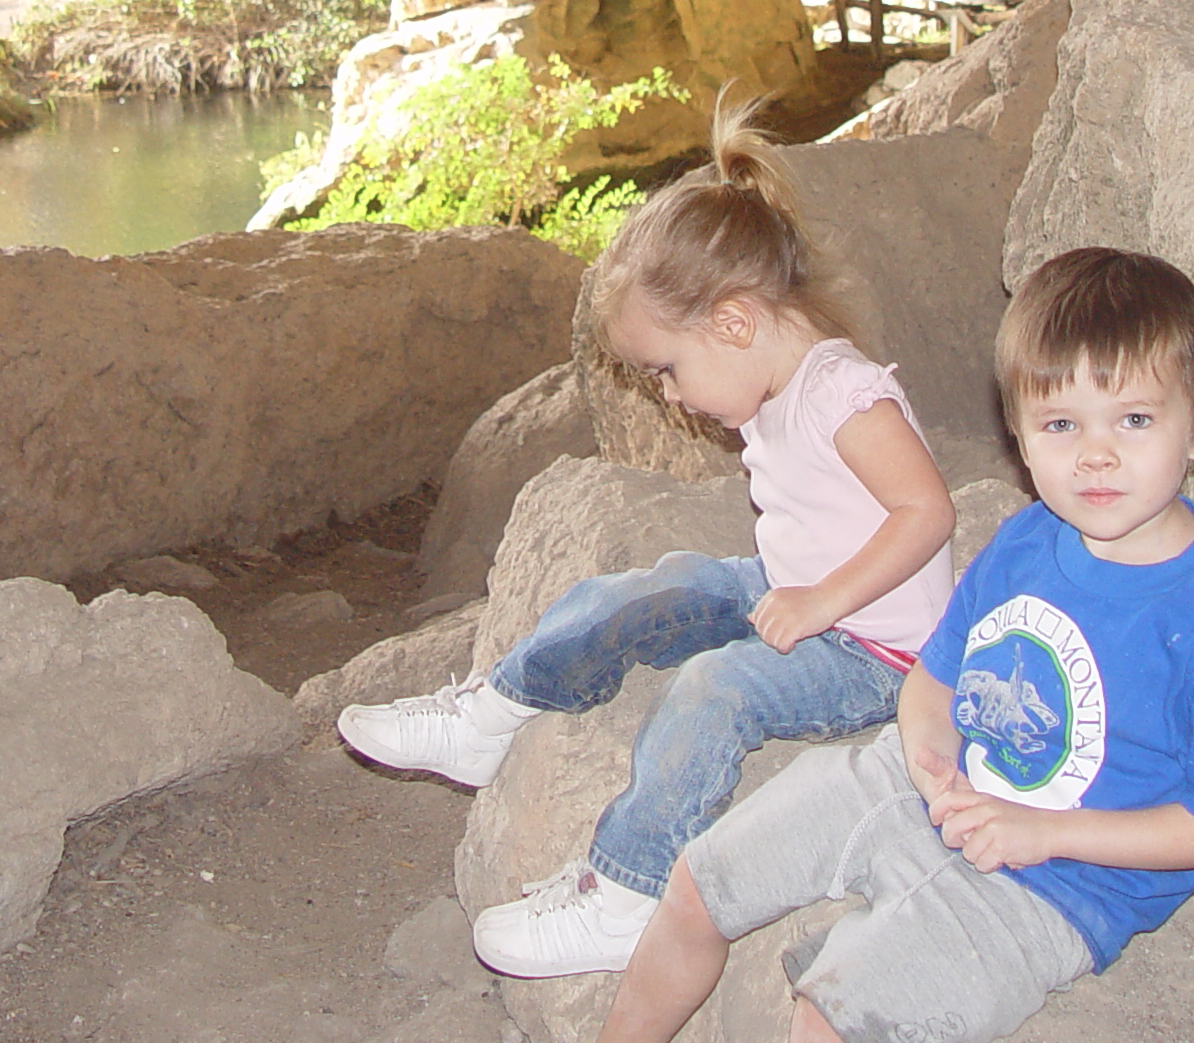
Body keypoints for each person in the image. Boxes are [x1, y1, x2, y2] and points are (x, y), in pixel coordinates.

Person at [595, 246, 1194, 1043]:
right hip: (923, 785)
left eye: (1134, 419)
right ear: (1020, 438)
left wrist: (1044, 832)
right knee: (699, 881)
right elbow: (935, 680)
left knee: (830, 1016)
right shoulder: (1028, 541)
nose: (1095, 454)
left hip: (1059, 884)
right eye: (1060, 424)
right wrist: (930, 762)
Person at [338, 92, 957, 979]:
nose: (669, 396)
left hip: (876, 648)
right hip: (791, 587)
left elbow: (926, 512)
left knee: (715, 690)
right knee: (638, 592)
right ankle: (493, 711)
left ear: (734, 322)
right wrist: (797, 590)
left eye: (667, 371)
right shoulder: (770, 375)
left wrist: (824, 600)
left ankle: (628, 890)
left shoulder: (842, 394)